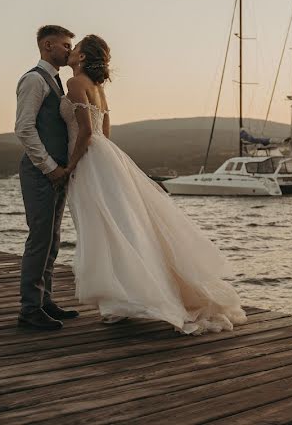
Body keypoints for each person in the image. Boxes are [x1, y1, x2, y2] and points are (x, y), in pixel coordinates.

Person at [60, 35, 246, 333]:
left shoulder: (75, 83)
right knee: (122, 226)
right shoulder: (99, 89)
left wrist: (70, 165)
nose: (71, 51)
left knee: (101, 228)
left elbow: (84, 132)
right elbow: (103, 131)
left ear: (82, 58)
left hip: (89, 159)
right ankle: (123, 299)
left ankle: (120, 300)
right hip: (106, 156)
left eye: (76, 48)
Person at [14, 25, 81, 330]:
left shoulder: (57, 81)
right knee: (39, 239)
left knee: (52, 239)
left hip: (59, 172)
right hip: (42, 171)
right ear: (48, 45)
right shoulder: (33, 80)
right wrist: (50, 167)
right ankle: (30, 309)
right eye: (66, 45)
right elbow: (24, 129)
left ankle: (45, 301)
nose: (70, 50)